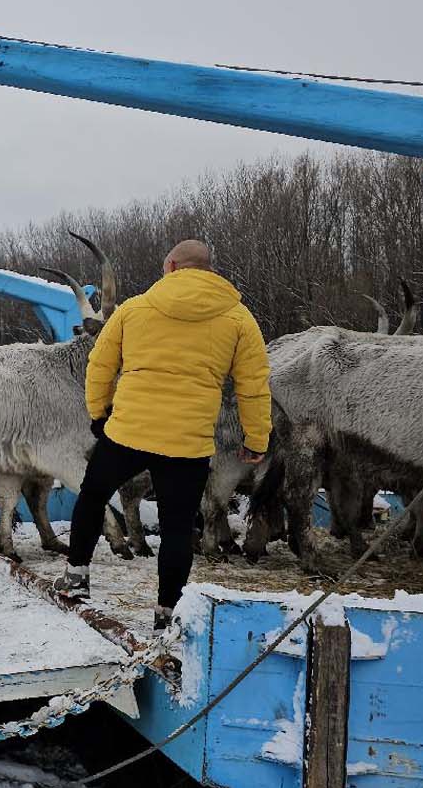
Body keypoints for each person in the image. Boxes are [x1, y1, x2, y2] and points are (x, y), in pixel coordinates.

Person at [60, 239, 271, 629]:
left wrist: (99, 414)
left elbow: (100, 365)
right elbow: (254, 387)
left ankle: (76, 577)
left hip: (128, 433)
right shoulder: (239, 319)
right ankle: (166, 612)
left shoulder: (134, 308)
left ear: (172, 267)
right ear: (208, 269)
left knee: (92, 496)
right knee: (177, 526)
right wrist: (256, 440)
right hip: (187, 443)